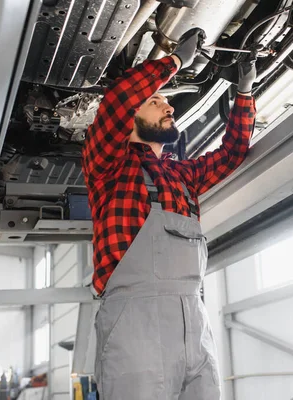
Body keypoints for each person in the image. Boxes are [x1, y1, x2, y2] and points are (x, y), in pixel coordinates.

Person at [82, 28, 256, 400]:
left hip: (195, 316)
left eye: (165, 102)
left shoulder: (183, 175)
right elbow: (115, 102)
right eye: (155, 101)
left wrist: (244, 94)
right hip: (135, 320)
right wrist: (174, 62)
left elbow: (233, 151)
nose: (169, 107)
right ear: (131, 118)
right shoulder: (109, 165)